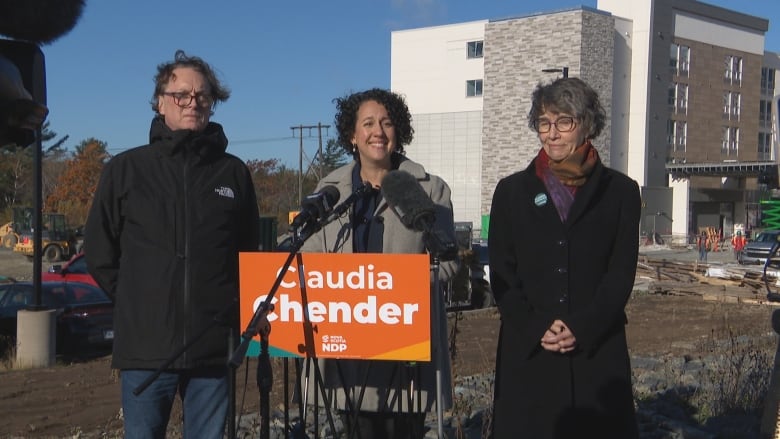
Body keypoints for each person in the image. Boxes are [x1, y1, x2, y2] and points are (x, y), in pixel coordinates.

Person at [85, 50, 261, 439]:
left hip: (214, 349)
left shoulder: (233, 173)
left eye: (202, 96)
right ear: (160, 101)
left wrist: (226, 305)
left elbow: (249, 255)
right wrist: (138, 297)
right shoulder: (126, 169)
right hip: (145, 348)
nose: (192, 103)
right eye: (181, 94)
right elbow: (99, 251)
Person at [298, 88, 458, 438]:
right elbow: (308, 258)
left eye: (386, 123)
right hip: (346, 351)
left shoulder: (429, 189)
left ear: (398, 131)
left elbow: (447, 262)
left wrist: (394, 284)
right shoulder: (329, 190)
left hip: (405, 353)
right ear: (352, 136)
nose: (378, 131)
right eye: (368, 123)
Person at [488, 77, 640, 438]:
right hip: (529, 351)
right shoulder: (511, 192)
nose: (552, 133)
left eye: (563, 122)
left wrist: (583, 327)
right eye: (544, 122)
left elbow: (620, 274)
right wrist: (538, 325)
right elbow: (502, 275)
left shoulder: (621, 192)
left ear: (586, 125)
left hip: (596, 353)